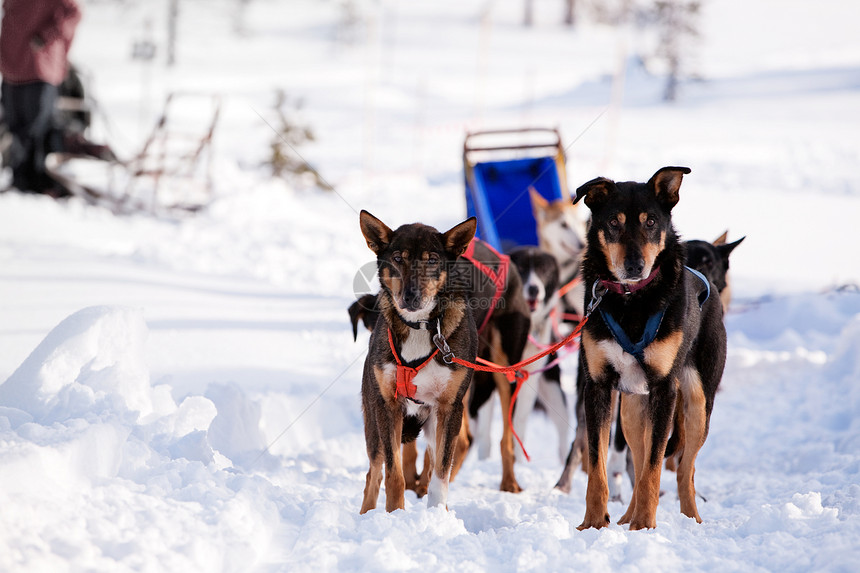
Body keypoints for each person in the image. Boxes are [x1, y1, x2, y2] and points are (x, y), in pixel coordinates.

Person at [0, 0, 82, 195]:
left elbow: (74, 13)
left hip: (39, 68)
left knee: (36, 128)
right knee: (14, 127)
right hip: (12, 67)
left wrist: (46, 36)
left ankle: (38, 181)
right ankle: (19, 179)